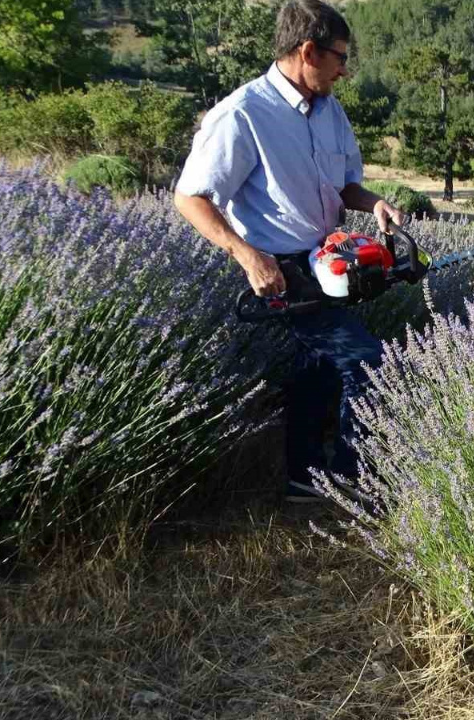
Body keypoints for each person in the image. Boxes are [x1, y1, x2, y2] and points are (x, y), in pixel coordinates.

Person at [173, 0, 407, 503]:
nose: (345, 69)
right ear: (307, 51)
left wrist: (375, 204)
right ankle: (352, 483)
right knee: (368, 360)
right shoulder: (242, 113)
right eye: (339, 57)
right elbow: (190, 197)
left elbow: (345, 186)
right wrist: (246, 254)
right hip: (284, 271)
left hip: (330, 259)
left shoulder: (330, 110)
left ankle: (303, 477)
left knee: (316, 368)